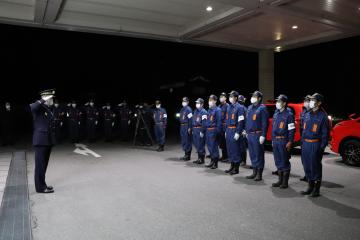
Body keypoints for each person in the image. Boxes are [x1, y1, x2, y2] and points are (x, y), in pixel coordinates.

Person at [300, 93, 329, 197]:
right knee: (307, 165)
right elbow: (303, 130)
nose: (311, 101)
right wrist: (302, 143)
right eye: (310, 99)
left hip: (315, 144)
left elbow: (325, 135)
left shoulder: (323, 116)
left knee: (315, 166)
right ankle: (310, 186)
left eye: (313, 99)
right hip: (306, 143)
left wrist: (321, 149)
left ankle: (316, 189)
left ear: (319, 102)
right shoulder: (307, 114)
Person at [29, 88, 56, 193]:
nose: (52, 99)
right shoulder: (38, 107)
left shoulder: (47, 108)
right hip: (40, 140)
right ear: (46, 98)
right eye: (51, 98)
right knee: (40, 165)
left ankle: (42, 184)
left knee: (43, 165)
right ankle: (40, 188)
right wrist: (43, 99)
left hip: (47, 140)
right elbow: (32, 107)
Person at [271, 95, 295, 189]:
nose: (277, 103)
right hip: (276, 140)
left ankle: (285, 182)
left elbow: (291, 130)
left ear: (284, 103)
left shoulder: (289, 114)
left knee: (284, 161)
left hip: (283, 140)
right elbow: (273, 128)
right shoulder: (276, 113)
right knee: (278, 161)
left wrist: (290, 141)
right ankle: (280, 180)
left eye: (279, 101)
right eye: (277, 101)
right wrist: (273, 140)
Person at [245, 90, 269, 181]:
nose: (253, 98)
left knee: (258, 154)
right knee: (252, 154)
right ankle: (254, 172)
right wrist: (246, 131)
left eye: (255, 96)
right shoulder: (250, 107)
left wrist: (263, 135)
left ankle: (259, 174)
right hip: (250, 134)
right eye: (252, 96)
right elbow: (247, 121)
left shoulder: (262, 108)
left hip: (257, 134)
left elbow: (264, 123)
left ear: (259, 98)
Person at [224, 91, 246, 175]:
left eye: (232, 96)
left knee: (235, 149)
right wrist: (226, 130)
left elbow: (241, 121)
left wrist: (238, 132)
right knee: (230, 149)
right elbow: (226, 120)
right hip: (229, 129)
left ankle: (236, 169)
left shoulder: (240, 107)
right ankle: (231, 166)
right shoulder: (229, 107)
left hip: (234, 129)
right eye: (229, 96)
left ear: (236, 98)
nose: (230, 97)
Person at [205, 95, 222, 169]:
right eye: (209, 100)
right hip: (208, 130)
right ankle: (212, 161)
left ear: (215, 101)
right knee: (209, 146)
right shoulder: (209, 110)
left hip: (213, 130)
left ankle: (215, 162)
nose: (210, 101)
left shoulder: (218, 110)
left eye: (211, 100)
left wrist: (217, 132)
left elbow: (219, 122)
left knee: (214, 146)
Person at [299, 95, 311, 182]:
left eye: (307, 100)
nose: (305, 102)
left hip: (311, 139)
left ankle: (312, 177)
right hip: (303, 138)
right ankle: (307, 175)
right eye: (305, 100)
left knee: (311, 160)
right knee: (304, 159)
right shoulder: (303, 111)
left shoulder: (313, 112)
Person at [192, 98, 207, 164]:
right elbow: (193, 120)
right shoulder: (195, 111)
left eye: (198, 103)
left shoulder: (204, 112)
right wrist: (193, 128)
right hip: (195, 129)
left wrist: (202, 131)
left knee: (200, 144)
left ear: (202, 104)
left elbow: (204, 122)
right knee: (196, 144)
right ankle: (199, 158)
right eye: (196, 103)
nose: (197, 104)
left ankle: (202, 159)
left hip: (200, 129)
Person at [219, 92, 229, 162]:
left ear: (225, 98)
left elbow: (228, 117)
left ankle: (227, 157)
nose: (221, 98)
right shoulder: (219, 106)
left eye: (223, 96)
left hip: (225, 126)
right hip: (220, 126)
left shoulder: (227, 106)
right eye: (220, 96)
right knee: (222, 142)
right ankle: (223, 156)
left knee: (226, 143)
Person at [238, 95, 248, 167]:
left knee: (242, 146)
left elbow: (246, 121)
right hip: (238, 129)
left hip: (242, 130)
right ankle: (239, 159)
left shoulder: (244, 109)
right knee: (238, 146)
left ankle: (243, 161)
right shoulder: (238, 108)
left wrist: (245, 130)